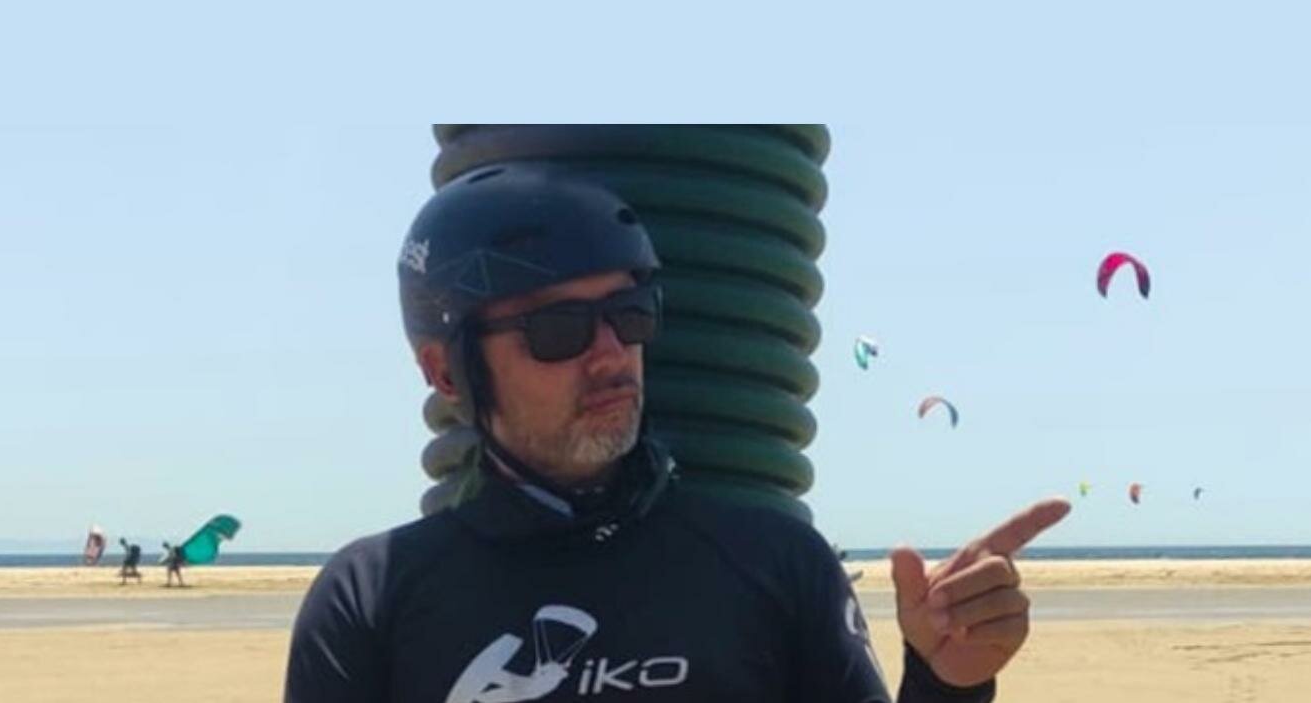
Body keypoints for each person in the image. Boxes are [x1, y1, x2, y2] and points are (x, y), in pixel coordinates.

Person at [284, 164, 1068, 701]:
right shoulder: (369, 599)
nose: (610, 354)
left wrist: (947, 685)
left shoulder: (777, 563)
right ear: (447, 372)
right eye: (558, 329)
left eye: (630, 314)